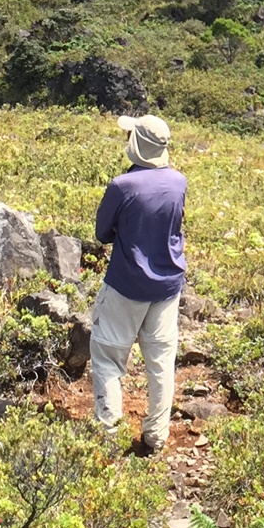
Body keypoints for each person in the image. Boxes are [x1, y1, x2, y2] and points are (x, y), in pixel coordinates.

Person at [90, 113, 187, 453]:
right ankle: (156, 436)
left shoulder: (122, 185)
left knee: (107, 357)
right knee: (161, 364)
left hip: (126, 285)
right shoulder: (179, 182)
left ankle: (108, 436)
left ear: (136, 144)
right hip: (167, 287)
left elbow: (102, 234)